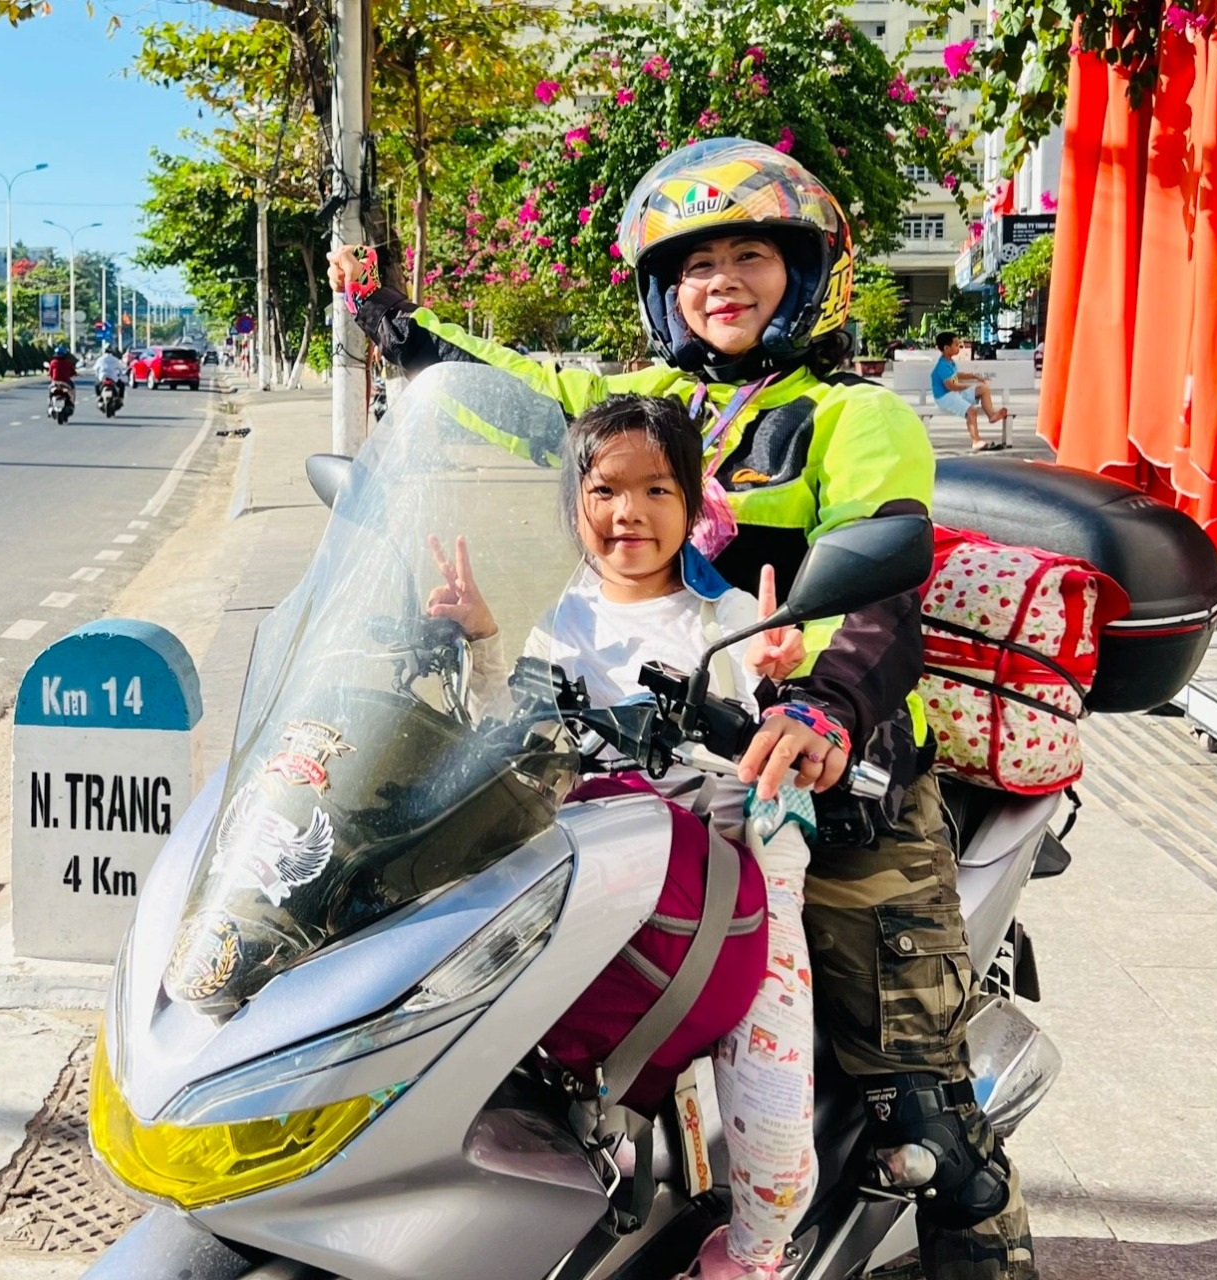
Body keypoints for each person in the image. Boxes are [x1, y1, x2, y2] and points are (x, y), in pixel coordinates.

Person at [332, 138, 1031, 1280]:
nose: (723, 281)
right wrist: (400, 331)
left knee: (922, 1122)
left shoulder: (851, 419)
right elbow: (524, 398)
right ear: (664, 290)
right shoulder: (647, 410)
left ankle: (985, 1250)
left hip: (822, 782)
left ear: (802, 273)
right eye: (696, 262)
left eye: (751, 255)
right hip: (649, 778)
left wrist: (818, 711)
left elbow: (883, 601)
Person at [442, 394, 817, 1280]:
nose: (629, 513)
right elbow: (519, 738)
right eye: (606, 489)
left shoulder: (726, 620)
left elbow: (776, 751)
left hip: (736, 881)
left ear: (692, 503)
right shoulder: (563, 618)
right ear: (576, 505)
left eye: (656, 489)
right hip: (601, 868)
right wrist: (483, 641)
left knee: (769, 1086)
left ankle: (757, 1254)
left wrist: (770, 683)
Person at [932, 332, 1008, 451]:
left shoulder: (950, 363)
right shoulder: (942, 366)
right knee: (971, 410)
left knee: (983, 389)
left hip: (955, 393)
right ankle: (976, 441)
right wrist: (967, 386)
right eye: (956, 345)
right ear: (946, 348)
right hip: (945, 397)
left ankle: (992, 415)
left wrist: (975, 377)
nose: (959, 347)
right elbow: (951, 386)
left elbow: (956, 376)